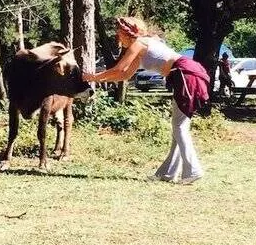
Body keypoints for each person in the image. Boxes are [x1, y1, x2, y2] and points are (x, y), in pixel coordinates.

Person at [83, 17, 209, 184]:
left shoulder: (139, 43)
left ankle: (193, 170)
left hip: (185, 74)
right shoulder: (141, 48)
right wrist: (96, 80)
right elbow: (124, 75)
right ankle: (168, 173)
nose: (117, 37)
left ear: (126, 33)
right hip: (185, 74)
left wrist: (93, 76)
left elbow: (119, 68)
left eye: (118, 34)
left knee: (179, 126)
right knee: (179, 127)